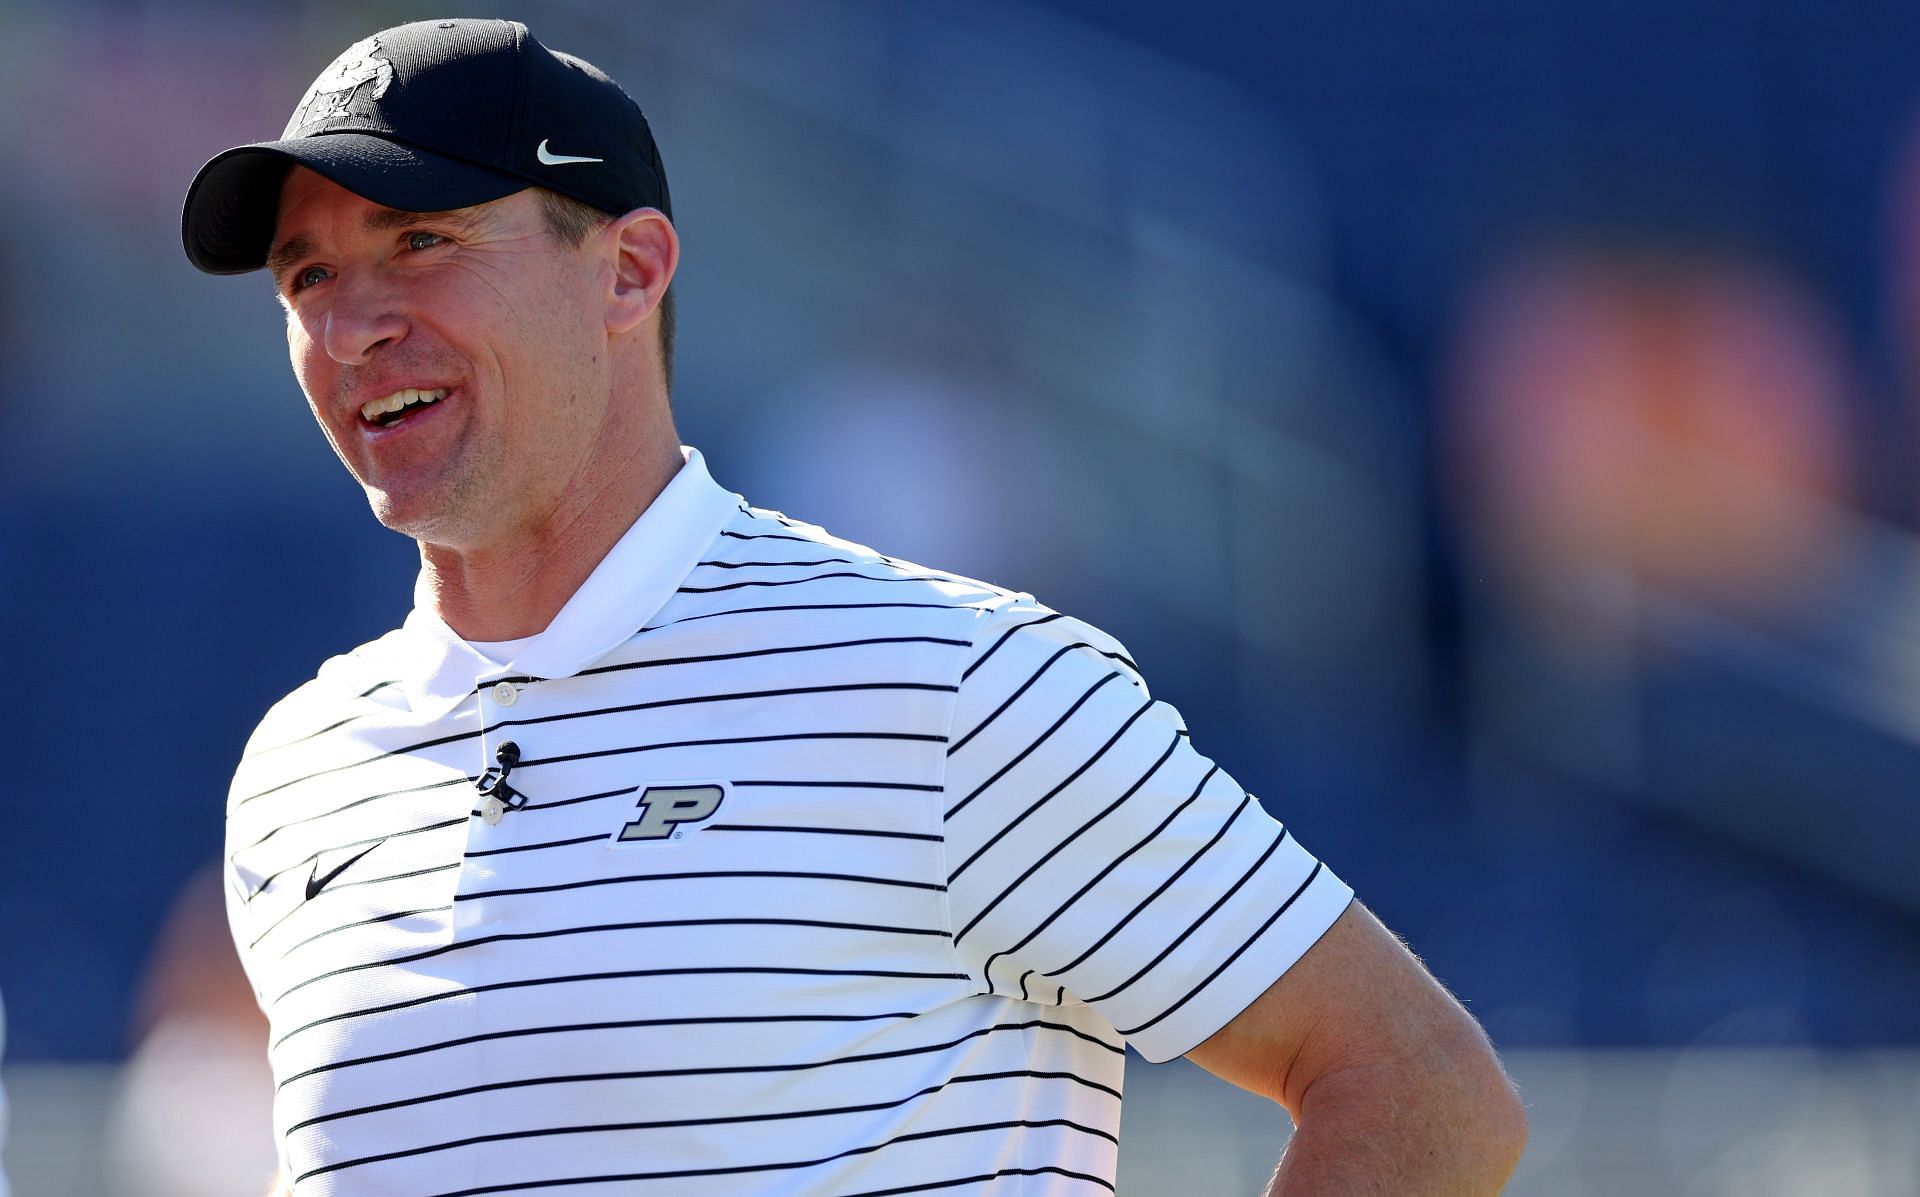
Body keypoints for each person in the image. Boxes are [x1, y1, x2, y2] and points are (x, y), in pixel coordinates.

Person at [182, 18, 1525, 1196]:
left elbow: (1419, 1088)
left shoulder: (957, 686)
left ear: (630, 271)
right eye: (306, 275)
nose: (351, 320)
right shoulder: (305, 768)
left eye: (422, 241)